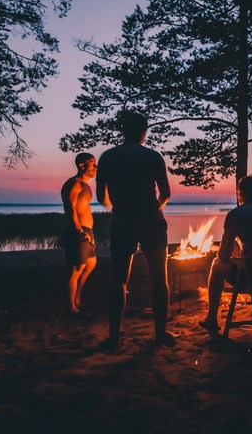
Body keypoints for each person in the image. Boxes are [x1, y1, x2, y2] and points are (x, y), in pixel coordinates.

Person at [95, 112, 173, 349]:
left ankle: (114, 338)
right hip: (151, 221)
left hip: (122, 222)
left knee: (119, 279)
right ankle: (160, 335)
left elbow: (100, 196)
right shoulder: (152, 156)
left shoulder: (108, 157)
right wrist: (156, 208)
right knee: (159, 278)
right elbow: (166, 192)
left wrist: (117, 209)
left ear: (123, 130)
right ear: (144, 131)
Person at [199, 175, 252, 332]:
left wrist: (228, 253)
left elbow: (223, 256)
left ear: (240, 193)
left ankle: (211, 319)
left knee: (216, 264)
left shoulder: (236, 214)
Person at [60, 152, 98, 315]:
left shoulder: (86, 185)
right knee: (76, 268)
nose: (96, 167)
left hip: (88, 231)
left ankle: (77, 298)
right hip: (78, 231)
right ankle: (71, 307)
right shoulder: (73, 184)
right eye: (93, 164)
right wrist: (79, 231)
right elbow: (70, 209)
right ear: (82, 166)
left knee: (91, 264)